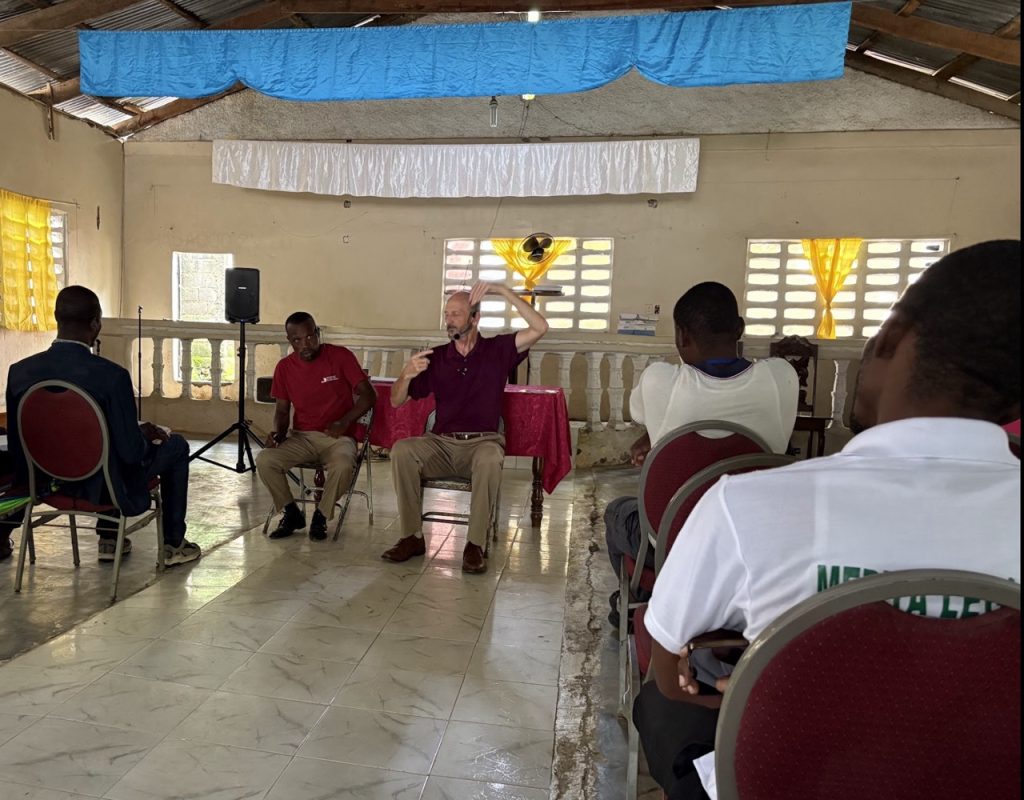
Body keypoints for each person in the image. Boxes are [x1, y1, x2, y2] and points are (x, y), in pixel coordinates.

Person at [633, 240, 1021, 800]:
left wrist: (747, 688)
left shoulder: (745, 505)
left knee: (661, 703)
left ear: (887, 338)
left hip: (786, 780)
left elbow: (670, 671)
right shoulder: (778, 381)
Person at [605, 282, 798, 625]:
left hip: (674, 544)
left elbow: (640, 412)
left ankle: (641, 600)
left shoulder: (660, 381)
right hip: (749, 545)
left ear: (681, 336)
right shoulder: (781, 377)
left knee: (617, 512)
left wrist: (655, 434)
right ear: (740, 329)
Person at [1, 286, 201, 565]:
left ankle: (110, 538)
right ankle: (173, 544)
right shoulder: (112, 377)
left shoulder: (20, 372)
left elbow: (17, 443)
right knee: (175, 446)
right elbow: (131, 452)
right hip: (104, 485)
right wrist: (144, 435)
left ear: (56, 317)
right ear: (96, 323)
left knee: (109, 443)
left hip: (47, 482)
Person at [381, 281, 548, 574]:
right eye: (447, 314)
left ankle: (475, 544)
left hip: (482, 443)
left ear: (475, 318)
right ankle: (412, 537)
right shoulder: (436, 357)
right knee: (402, 450)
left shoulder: (498, 350)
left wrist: (503, 291)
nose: (449, 320)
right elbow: (396, 400)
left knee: (490, 457)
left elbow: (540, 327)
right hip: (441, 444)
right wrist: (405, 374)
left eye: (456, 314)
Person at [256, 312, 376, 541]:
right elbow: (282, 411)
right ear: (289, 341)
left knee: (343, 464)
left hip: (338, 438)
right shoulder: (284, 367)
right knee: (265, 460)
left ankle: (321, 515)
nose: (305, 344)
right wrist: (277, 434)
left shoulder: (340, 356)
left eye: (310, 337)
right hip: (301, 437)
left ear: (318, 334)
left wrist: (344, 422)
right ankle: (291, 513)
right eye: (297, 340)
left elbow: (369, 395)